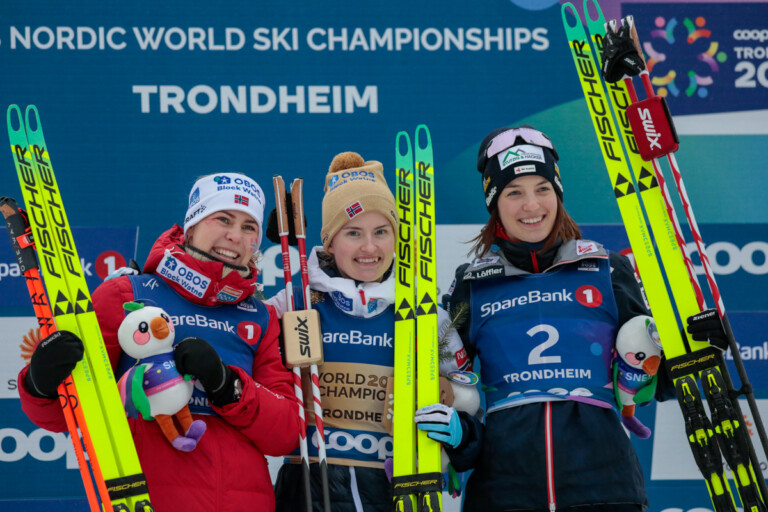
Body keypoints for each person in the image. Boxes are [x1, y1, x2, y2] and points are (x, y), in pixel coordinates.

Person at [18, 173, 301, 512]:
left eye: (248, 227)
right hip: (145, 497)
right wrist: (41, 383)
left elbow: (285, 433)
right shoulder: (127, 295)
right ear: (192, 226)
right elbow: (67, 414)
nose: (234, 236)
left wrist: (228, 385)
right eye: (223, 219)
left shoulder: (260, 316)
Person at [414, 126, 655, 511]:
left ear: (558, 194)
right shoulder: (473, 286)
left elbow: (660, 379)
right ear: (495, 203)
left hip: (605, 491)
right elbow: (452, 395)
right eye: (514, 193)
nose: (531, 205)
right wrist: (458, 435)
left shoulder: (607, 270)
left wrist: (697, 342)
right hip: (504, 495)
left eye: (542, 188)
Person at [267, 152, 473, 512]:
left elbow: (465, 399)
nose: (369, 247)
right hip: (310, 491)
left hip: (395, 489)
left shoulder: (423, 314)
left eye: (381, 232)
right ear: (330, 241)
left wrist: (455, 423)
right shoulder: (295, 302)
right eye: (353, 233)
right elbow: (242, 343)